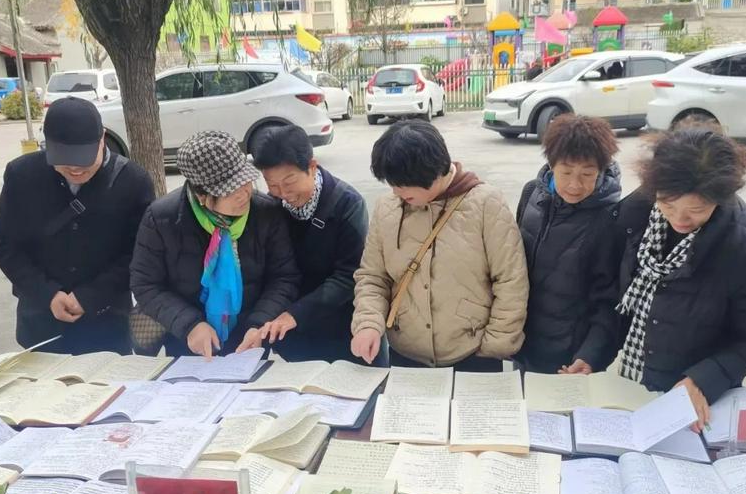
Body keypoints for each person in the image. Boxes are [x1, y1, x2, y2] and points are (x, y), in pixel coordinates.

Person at [615, 127, 746, 430]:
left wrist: (701, 379)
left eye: (696, 210)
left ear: (721, 198)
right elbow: (620, 295)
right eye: (668, 205)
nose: (679, 219)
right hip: (639, 378)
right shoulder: (638, 212)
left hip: (703, 395)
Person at [351, 120, 528, 371]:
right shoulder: (387, 208)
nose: (396, 191)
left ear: (433, 172)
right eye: (392, 183)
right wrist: (368, 324)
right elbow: (373, 277)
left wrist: (494, 347)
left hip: (473, 354)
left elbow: (511, 280)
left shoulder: (486, 204)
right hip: (407, 353)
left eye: (403, 184)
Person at [0, 96, 154, 354]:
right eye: (64, 160)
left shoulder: (133, 182)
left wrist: (91, 295)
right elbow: (5, 244)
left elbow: (140, 254)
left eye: (84, 159)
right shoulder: (21, 176)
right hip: (40, 326)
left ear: (102, 139)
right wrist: (48, 294)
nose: (75, 169)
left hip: (107, 324)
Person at [130, 131, 300, 358]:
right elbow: (146, 285)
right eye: (230, 190)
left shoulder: (266, 213)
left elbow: (284, 278)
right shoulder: (162, 219)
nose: (244, 194)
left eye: (245, 181)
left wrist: (259, 323)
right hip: (188, 343)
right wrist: (190, 324)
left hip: (249, 342)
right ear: (202, 195)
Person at [253, 125, 385, 364]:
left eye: (289, 182)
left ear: (312, 167)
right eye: (272, 185)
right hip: (292, 333)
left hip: (341, 330)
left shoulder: (347, 204)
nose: (283, 193)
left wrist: (296, 313)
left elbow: (349, 275)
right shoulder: (270, 207)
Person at [515, 114, 622, 375]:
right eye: (566, 172)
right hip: (523, 346)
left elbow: (611, 300)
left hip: (571, 358)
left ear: (601, 171)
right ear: (551, 166)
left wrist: (592, 354)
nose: (575, 185)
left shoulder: (611, 219)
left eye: (587, 174)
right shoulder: (532, 194)